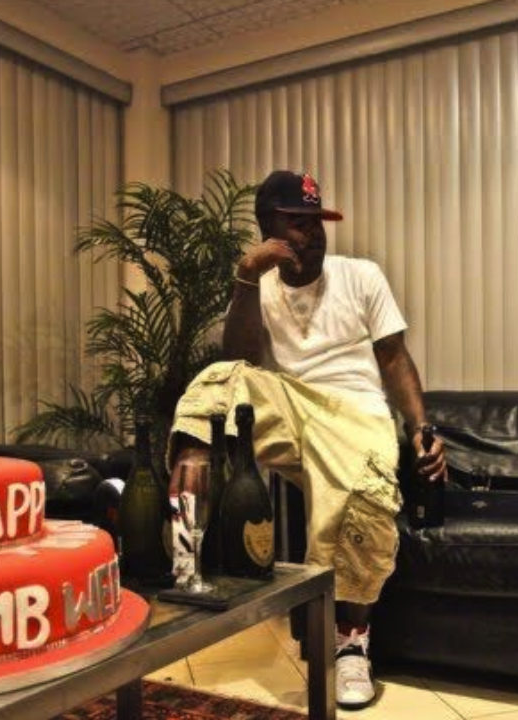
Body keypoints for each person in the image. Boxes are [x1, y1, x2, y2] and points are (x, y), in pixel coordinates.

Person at [168, 170, 446, 709]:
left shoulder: (361, 275)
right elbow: (240, 363)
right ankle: (185, 546)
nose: (312, 234)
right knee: (215, 385)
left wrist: (420, 428)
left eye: (318, 222)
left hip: (355, 411)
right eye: (297, 223)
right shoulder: (259, 287)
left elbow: (394, 358)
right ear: (267, 229)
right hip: (291, 405)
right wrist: (247, 277)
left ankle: (351, 644)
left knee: (361, 498)